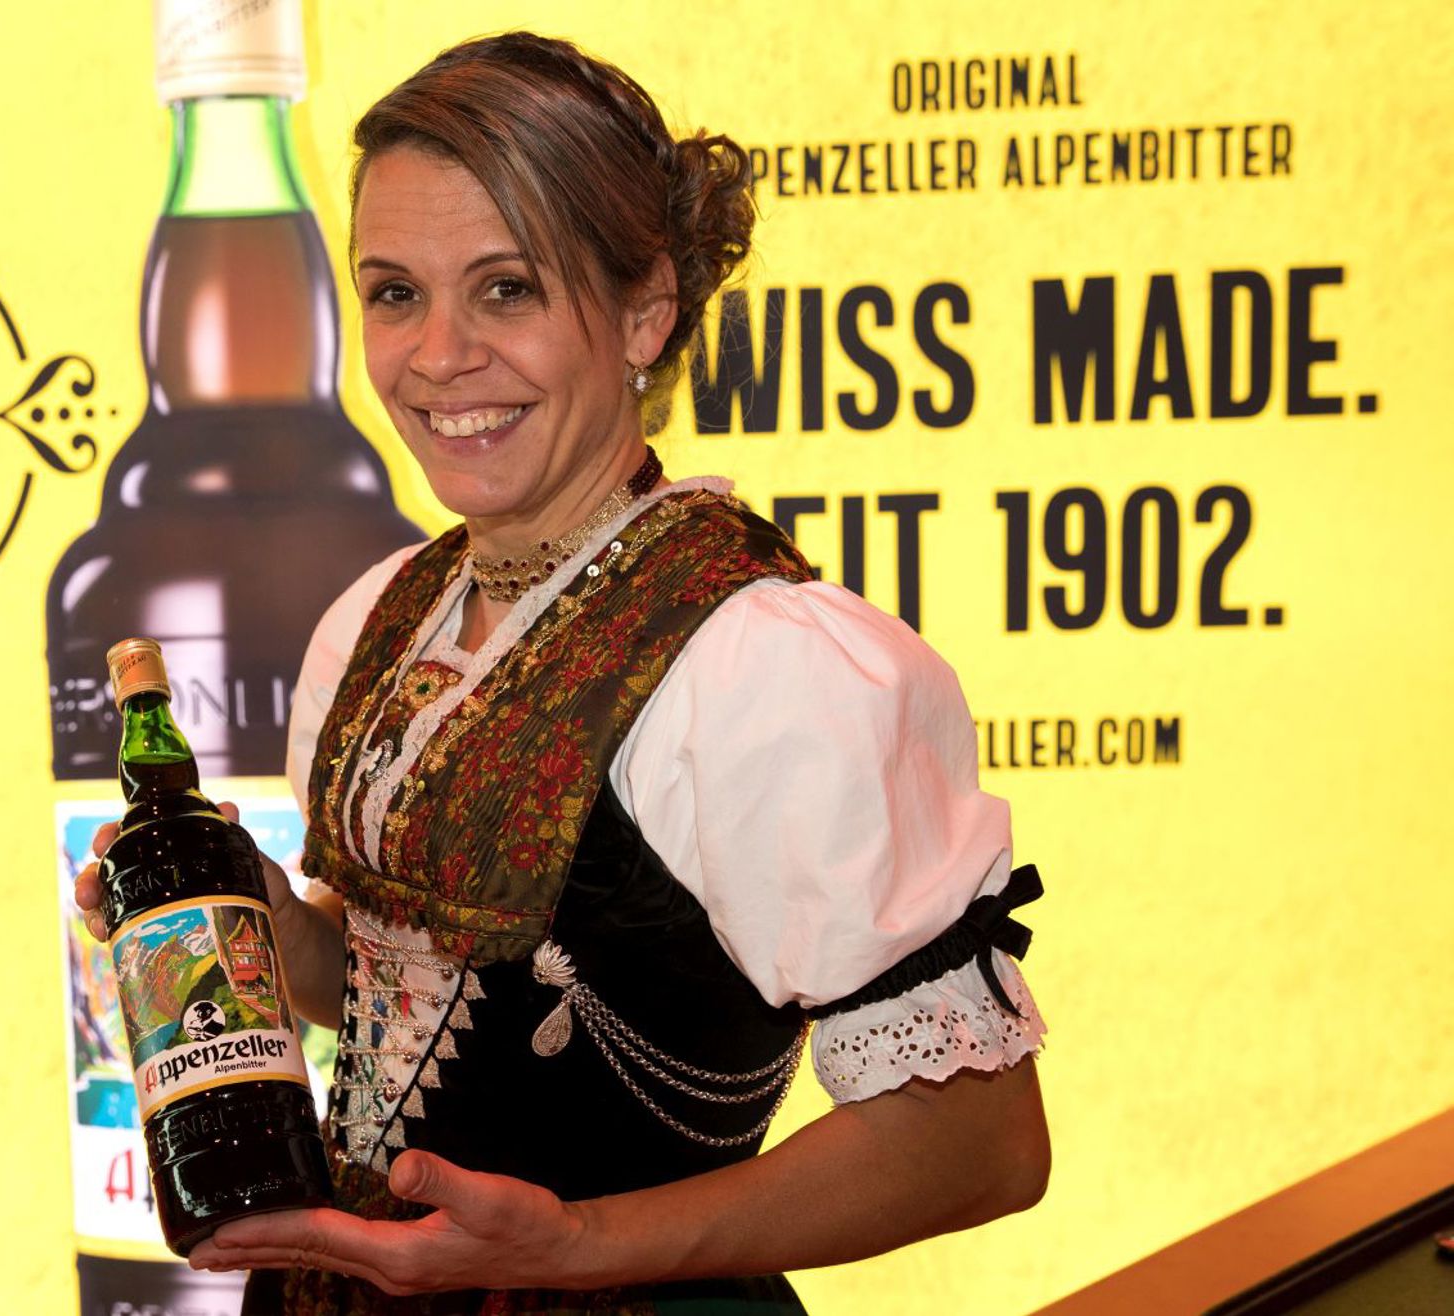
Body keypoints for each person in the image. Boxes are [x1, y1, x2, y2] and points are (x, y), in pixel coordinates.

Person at [76, 31, 1050, 1314]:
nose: (437, 356)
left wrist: (574, 1242)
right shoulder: (380, 615)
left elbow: (980, 1143)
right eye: (394, 292)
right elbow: (373, 989)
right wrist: (254, 915)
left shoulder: (761, 665)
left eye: (506, 289)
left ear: (645, 309)